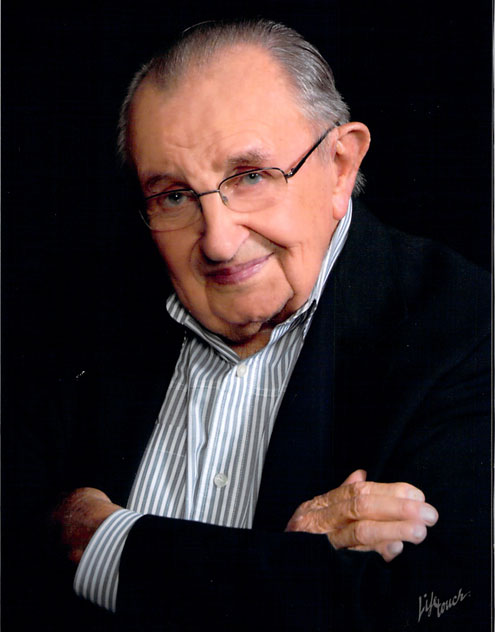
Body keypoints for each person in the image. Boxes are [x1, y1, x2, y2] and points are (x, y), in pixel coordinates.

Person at [38, 18, 489, 631]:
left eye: (250, 176)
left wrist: (102, 543)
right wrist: (288, 565)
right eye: (174, 196)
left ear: (340, 165)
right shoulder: (74, 323)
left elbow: (438, 606)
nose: (218, 243)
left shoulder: (467, 327)